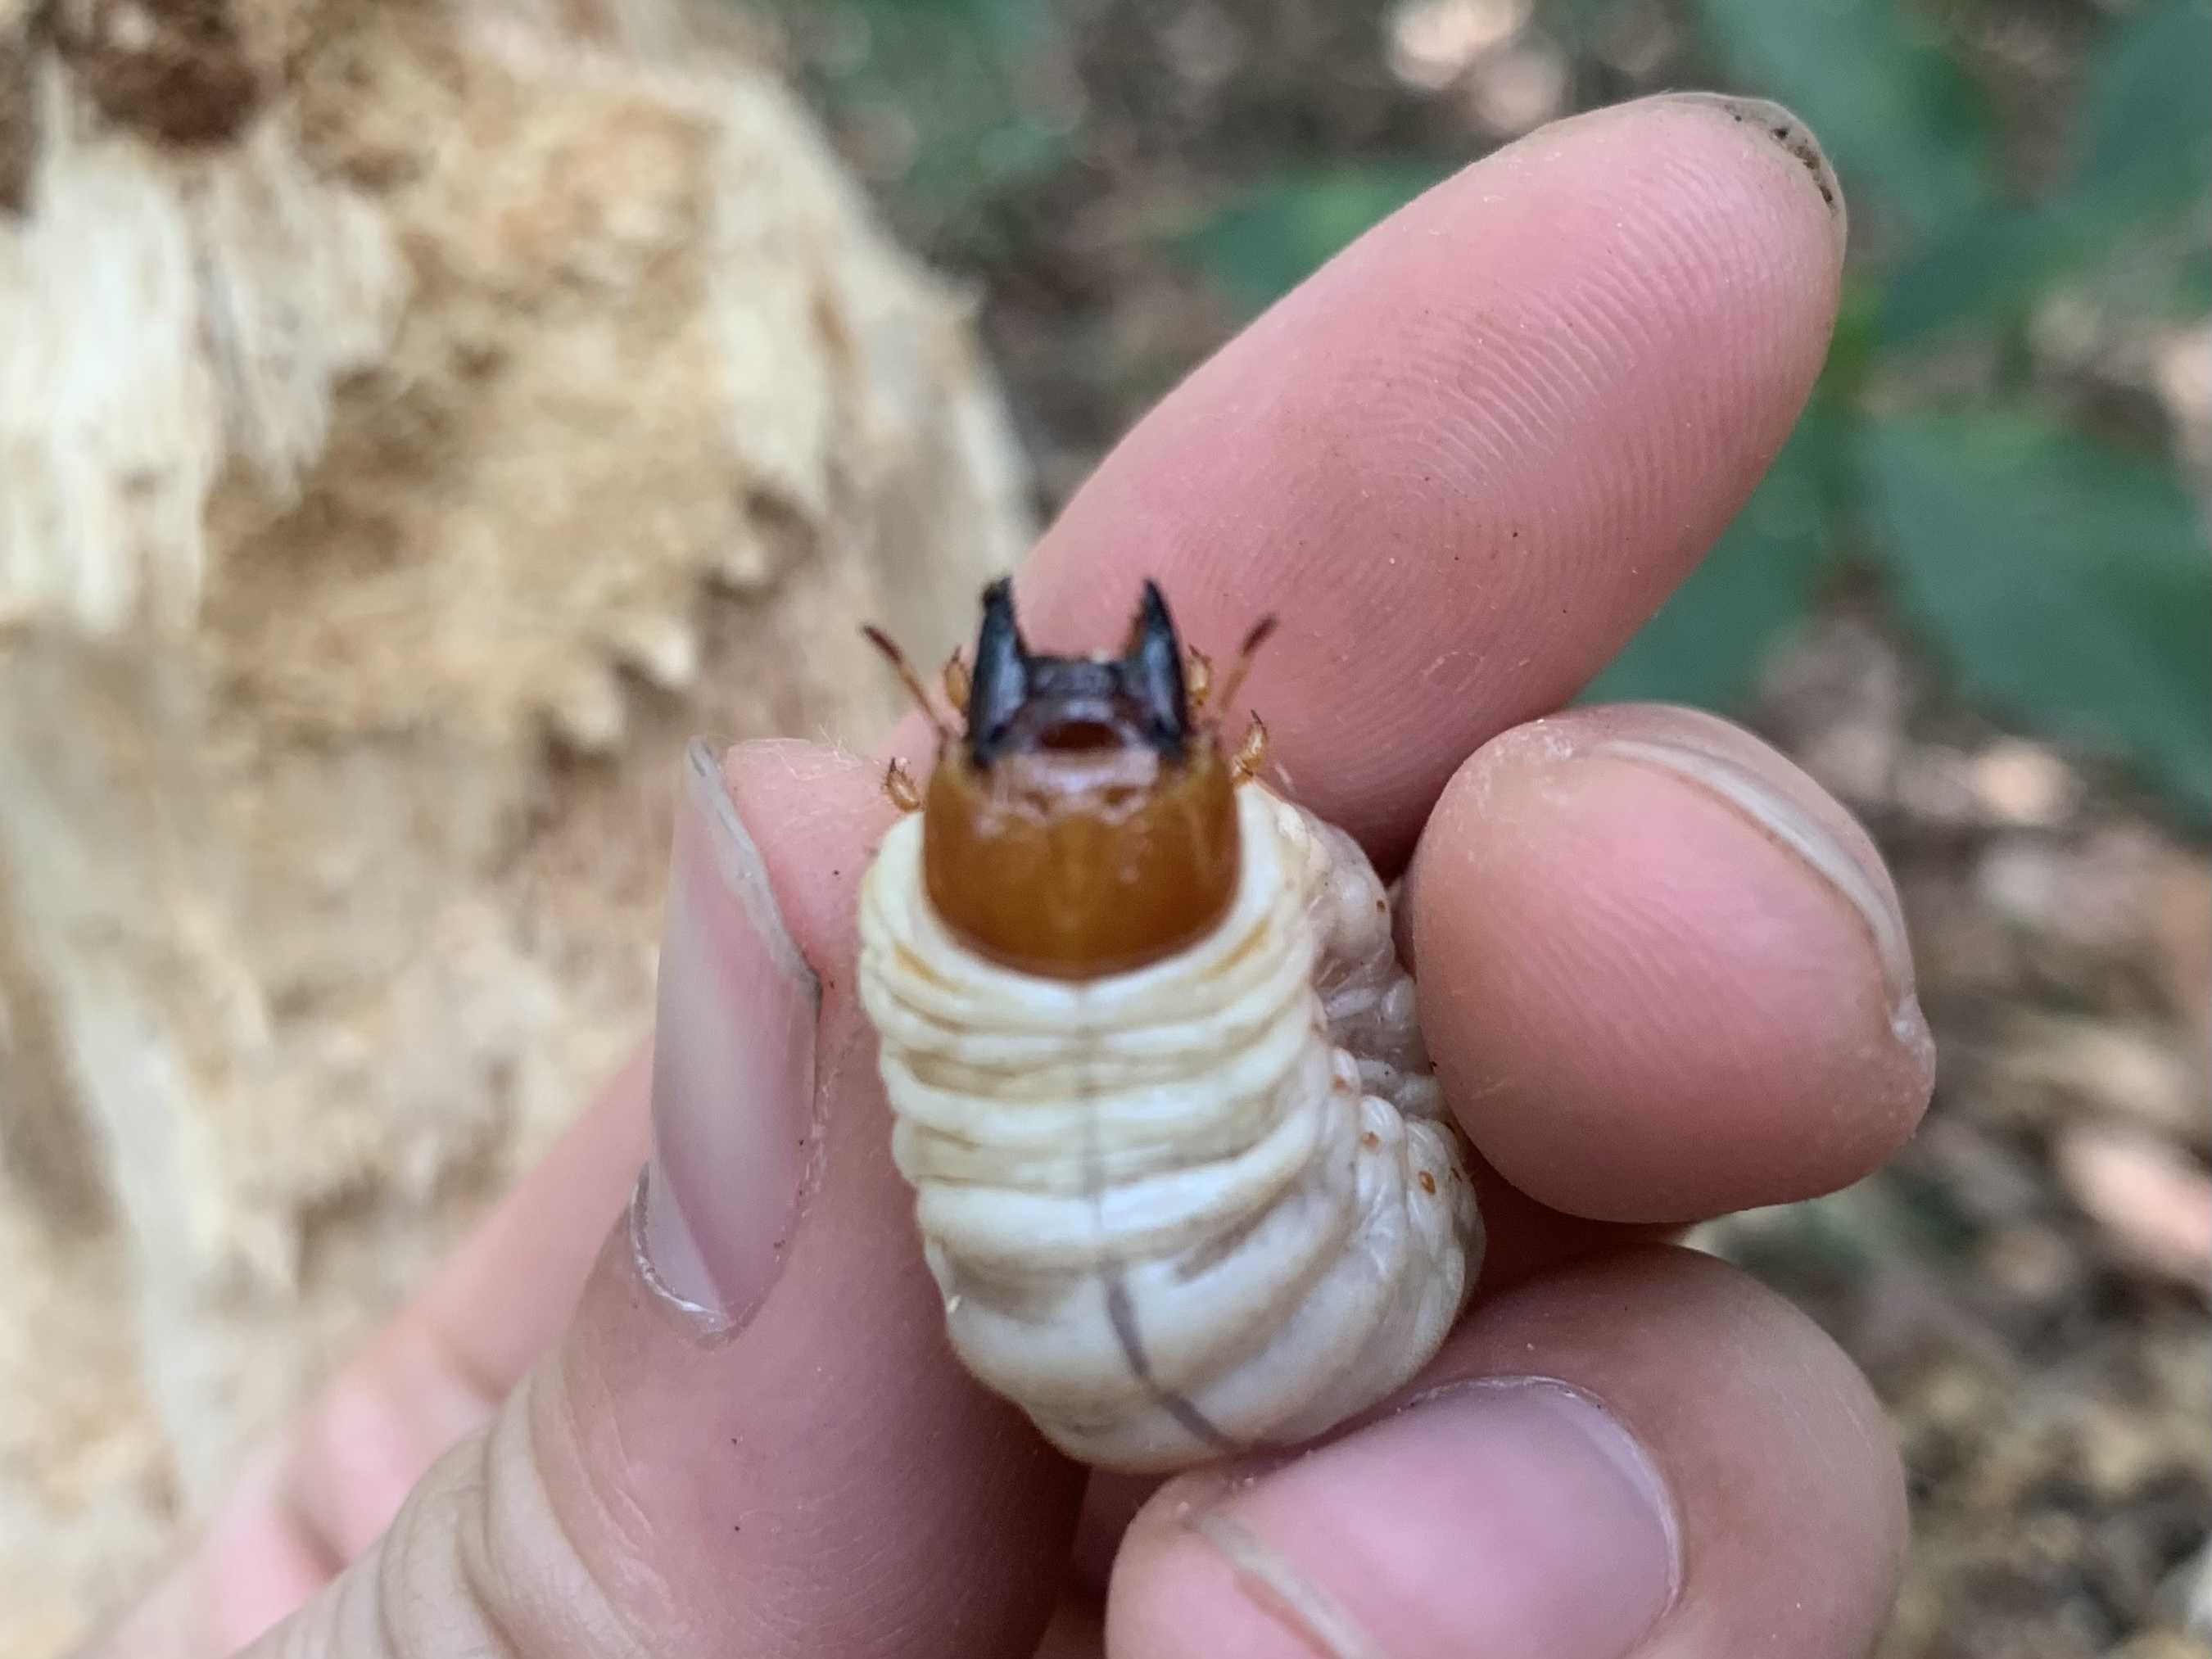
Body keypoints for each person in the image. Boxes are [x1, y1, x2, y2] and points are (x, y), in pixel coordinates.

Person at [93, 90, 1933, 1659]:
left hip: (1279, 1225)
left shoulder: (1126, 938)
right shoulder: (1235, 915)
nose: (1077, 781)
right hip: (1319, 1240)